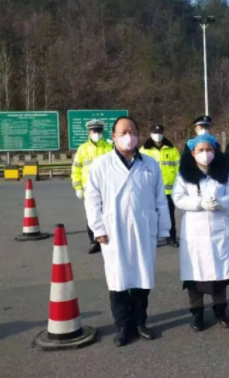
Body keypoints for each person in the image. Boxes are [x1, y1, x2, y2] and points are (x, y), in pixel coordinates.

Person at [85, 116, 171, 346]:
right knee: (118, 280)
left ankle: (140, 322)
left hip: (144, 229)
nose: (128, 136)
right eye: (123, 132)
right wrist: (97, 228)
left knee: (142, 279)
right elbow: (92, 200)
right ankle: (123, 326)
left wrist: (164, 228)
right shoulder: (101, 165)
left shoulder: (150, 164)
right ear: (113, 136)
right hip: (114, 231)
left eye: (132, 132)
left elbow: (160, 199)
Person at [172, 134, 229, 332]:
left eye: (209, 150)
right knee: (195, 275)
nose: (205, 154)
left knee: (219, 274)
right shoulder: (184, 174)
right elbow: (178, 198)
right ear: (192, 153)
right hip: (195, 230)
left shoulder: (223, 172)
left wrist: (221, 203)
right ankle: (197, 314)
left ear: (215, 151)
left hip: (218, 228)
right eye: (200, 150)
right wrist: (200, 203)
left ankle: (220, 311)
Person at [72, 119, 113, 254]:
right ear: (89, 132)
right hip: (89, 189)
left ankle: (111, 240)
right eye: (94, 131)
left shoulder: (110, 147)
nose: (97, 133)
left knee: (109, 215)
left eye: (99, 131)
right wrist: (78, 188)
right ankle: (94, 242)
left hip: (108, 189)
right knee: (92, 215)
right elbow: (76, 169)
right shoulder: (82, 149)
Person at [140, 124, 181, 247]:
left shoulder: (172, 149)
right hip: (150, 189)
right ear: (150, 134)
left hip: (168, 189)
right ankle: (151, 238)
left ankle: (171, 237)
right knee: (150, 215)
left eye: (159, 133)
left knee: (169, 215)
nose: (157, 135)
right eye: (155, 133)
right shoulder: (143, 150)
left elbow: (179, 168)